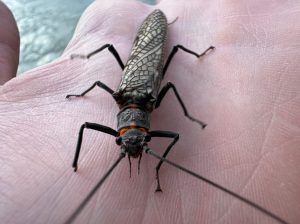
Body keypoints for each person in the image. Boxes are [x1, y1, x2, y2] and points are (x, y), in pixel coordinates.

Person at [0, 0, 299, 223]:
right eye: (136, 142)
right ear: (141, 134)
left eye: (129, 141)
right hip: (143, 63)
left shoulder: (139, 108)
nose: (131, 144)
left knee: (173, 56)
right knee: (113, 58)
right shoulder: (128, 111)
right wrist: (82, 92)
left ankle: (182, 44)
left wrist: (188, 121)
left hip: (152, 49)